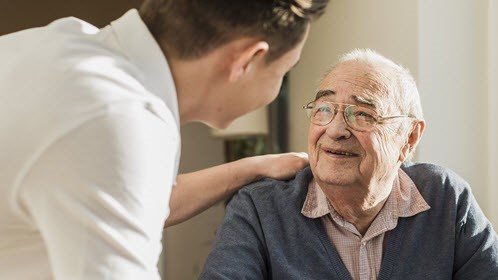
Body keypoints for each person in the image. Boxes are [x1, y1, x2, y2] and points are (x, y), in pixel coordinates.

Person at [0, 0, 330, 279]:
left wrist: (254, 167)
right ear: (247, 61)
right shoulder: (114, 121)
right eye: (283, 72)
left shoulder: (63, 43)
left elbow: (128, 199)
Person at [199, 49, 498, 279]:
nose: (335, 130)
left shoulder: (446, 197)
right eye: (324, 109)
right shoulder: (260, 209)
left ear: (409, 137)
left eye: (362, 114)